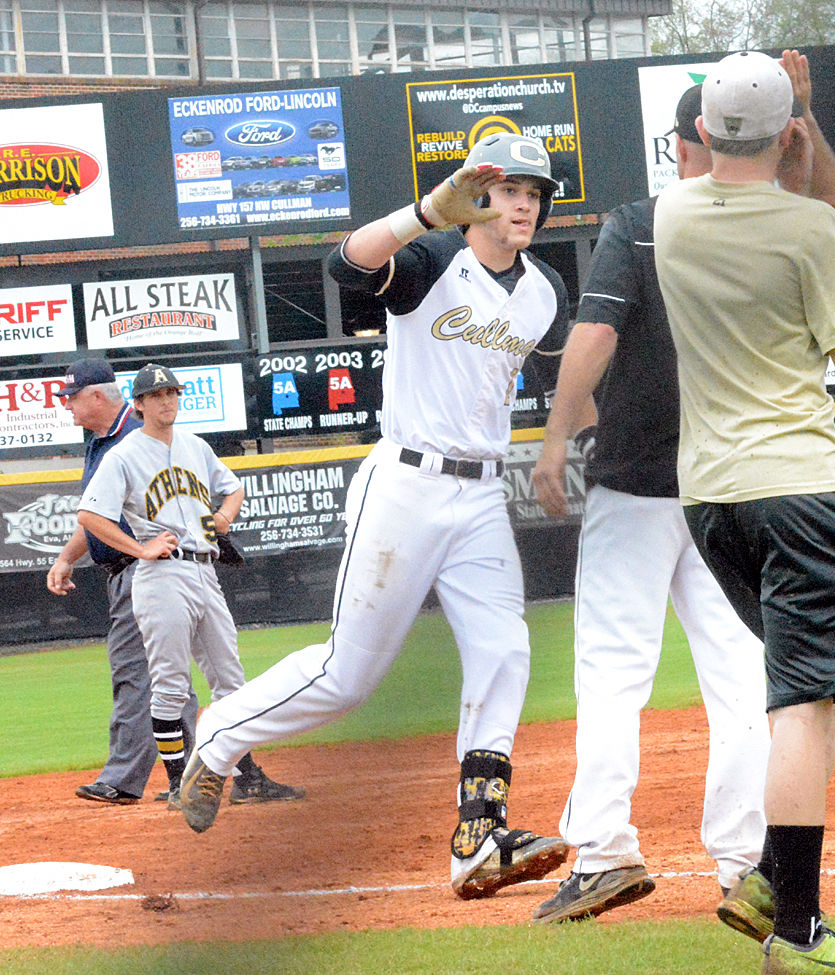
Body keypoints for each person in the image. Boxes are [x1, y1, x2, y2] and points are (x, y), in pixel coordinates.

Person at [177, 133, 572, 901]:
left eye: (535, 190)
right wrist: (426, 213)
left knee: (504, 650)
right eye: (508, 187)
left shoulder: (544, 289)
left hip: (483, 491)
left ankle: (478, 836)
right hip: (407, 484)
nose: (524, 201)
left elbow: (570, 368)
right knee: (347, 675)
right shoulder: (430, 264)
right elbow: (344, 266)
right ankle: (219, 737)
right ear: (476, 195)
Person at [529, 51, 835, 925]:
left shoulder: (641, 222)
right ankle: (749, 862)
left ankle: (603, 852)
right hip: (729, 486)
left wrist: (556, 437)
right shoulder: (782, 220)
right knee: (745, 681)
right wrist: (806, 123)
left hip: (636, 483)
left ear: (686, 140)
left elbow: (594, 336)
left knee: (611, 675)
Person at [653, 51, 835, 975]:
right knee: (806, 696)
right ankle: (795, 924)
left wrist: (789, 128)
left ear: (701, 134)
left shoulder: (669, 218)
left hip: (711, 500)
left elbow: (760, 183)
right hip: (795, 485)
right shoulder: (811, 229)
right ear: (789, 134)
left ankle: (773, 879)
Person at [76, 363, 305, 811]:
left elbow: (233, 488)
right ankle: (180, 782)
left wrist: (221, 520)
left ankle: (246, 776)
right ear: (138, 404)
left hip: (205, 570)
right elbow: (90, 516)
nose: (166, 401)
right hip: (161, 577)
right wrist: (140, 549)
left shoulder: (195, 447)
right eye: (156, 395)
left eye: (172, 393)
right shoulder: (122, 455)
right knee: (170, 686)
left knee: (231, 681)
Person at [48, 357, 199, 806]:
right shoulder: (101, 442)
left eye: (71, 397)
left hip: (148, 570)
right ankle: (197, 771)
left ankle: (123, 778)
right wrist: (67, 558)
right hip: (133, 571)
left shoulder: (135, 437)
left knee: (135, 672)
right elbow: (96, 515)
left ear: (97, 396)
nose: (67, 407)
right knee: (170, 677)